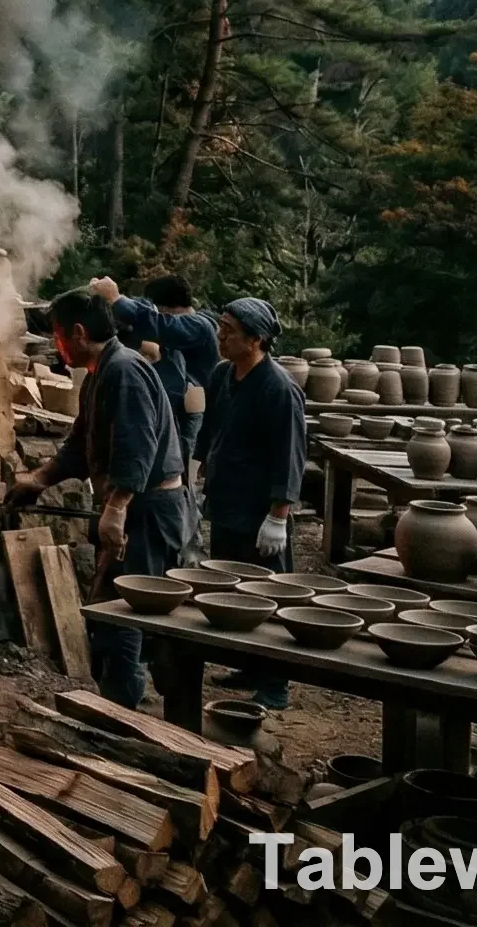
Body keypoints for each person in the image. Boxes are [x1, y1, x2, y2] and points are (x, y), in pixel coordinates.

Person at [8, 289, 190, 710]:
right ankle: (127, 702)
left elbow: (137, 450)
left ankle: (128, 713)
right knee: (114, 612)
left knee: (126, 614)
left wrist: (116, 508)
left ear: (78, 332)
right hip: (130, 508)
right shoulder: (99, 374)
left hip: (148, 512)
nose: (57, 346)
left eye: (57, 336)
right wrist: (39, 479)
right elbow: (78, 445)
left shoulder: (124, 372)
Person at [199, 296, 307, 708]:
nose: (221, 336)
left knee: (269, 593)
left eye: (229, 330)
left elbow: (290, 455)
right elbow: (210, 432)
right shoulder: (223, 375)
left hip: (261, 511)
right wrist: (199, 473)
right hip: (228, 503)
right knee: (234, 589)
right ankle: (248, 664)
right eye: (220, 327)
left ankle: (276, 682)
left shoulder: (279, 389)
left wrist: (279, 515)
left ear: (256, 339)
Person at [95, 274, 219, 465]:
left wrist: (116, 299)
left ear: (164, 307)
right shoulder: (179, 329)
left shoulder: (199, 326)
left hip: (188, 418)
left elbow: (157, 325)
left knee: (177, 469)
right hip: (173, 411)